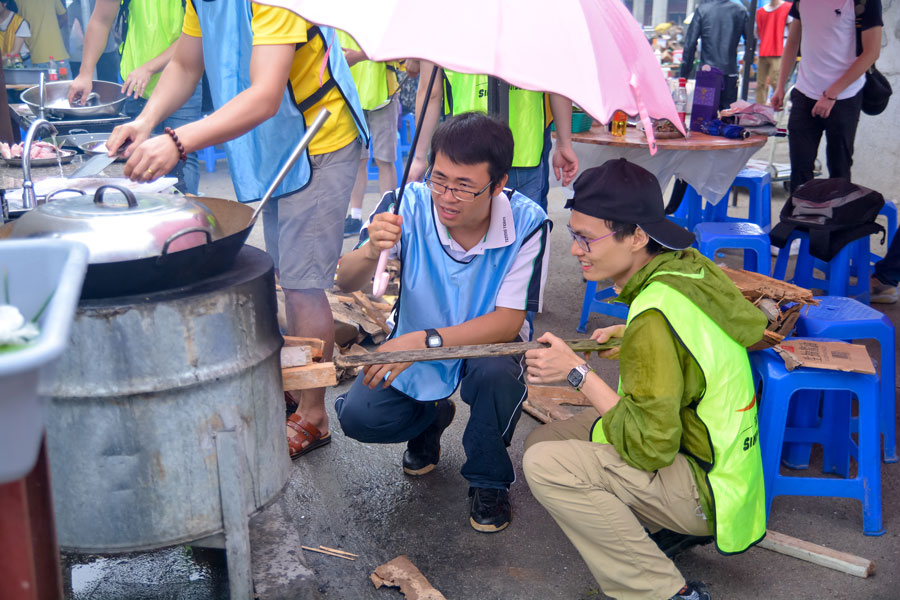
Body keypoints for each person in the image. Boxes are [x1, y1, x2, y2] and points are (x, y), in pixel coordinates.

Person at [105, 1, 368, 460]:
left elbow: (266, 95)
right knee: (284, 271)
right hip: (277, 143)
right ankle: (294, 382)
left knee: (304, 285)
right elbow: (187, 64)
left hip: (318, 140)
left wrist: (177, 141)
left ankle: (314, 413)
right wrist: (145, 123)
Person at [522, 159, 767, 600]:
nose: (576, 249)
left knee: (547, 466)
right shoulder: (686, 268)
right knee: (544, 443)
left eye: (586, 238)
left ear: (637, 236)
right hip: (728, 472)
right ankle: (659, 531)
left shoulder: (653, 315)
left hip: (704, 486)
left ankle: (665, 591)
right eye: (572, 234)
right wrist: (633, 333)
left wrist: (576, 372)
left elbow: (649, 446)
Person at [334, 112, 550, 533]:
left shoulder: (529, 223)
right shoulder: (404, 205)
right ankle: (431, 416)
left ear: (499, 183)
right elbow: (345, 280)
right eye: (439, 178)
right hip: (417, 342)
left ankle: (489, 478)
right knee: (359, 417)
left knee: (495, 373)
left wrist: (420, 342)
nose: (446, 196)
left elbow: (508, 322)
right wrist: (368, 249)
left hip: (484, 344)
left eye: (465, 186)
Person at [68, 0, 201, 195]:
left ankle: (186, 218)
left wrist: (150, 67)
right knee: (137, 155)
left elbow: (193, 36)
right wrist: (85, 73)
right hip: (135, 86)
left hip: (182, 84)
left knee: (183, 153)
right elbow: (100, 21)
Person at [410, 61, 579, 211]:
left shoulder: (440, 26)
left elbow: (431, 93)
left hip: (463, 151)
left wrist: (419, 157)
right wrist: (564, 144)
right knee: (525, 236)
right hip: (523, 151)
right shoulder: (541, 25)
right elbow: (558, 82)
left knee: (465, 239)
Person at [770, 0, 883, 193]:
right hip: (805, 92)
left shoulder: (865, 2)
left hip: (844, 96)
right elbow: (793, 42)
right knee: (800, 169)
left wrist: (831, 95)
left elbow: (872, 52)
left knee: (839, 169)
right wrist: (781, 86)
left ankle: (837, 220)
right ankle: (800, 220)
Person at [337, 30, 402, 238]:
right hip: (352, 94)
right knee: (357, 159)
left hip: (382, 94)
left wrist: (359, 56)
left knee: (385, 159)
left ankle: (387, 216)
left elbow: (397, 49)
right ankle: (355, 216)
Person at [680, 0, 748, 110]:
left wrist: (684, 73)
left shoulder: (702, 9)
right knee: (727, 116)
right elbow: (751, 40)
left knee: (703, 118)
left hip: (707, 72)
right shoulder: (740, 10)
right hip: (730, 72)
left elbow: (690, 43)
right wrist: (746, 60)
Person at [65, 0, 120, 86]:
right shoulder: (72, 7)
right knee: (103, 85)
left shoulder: (95, 2)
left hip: (108, 51)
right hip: (95, 51)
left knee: (110, 84)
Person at [755, 0, 792, 105]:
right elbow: (758, 32)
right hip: (764, 51)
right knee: (761, 83)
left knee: (775, 81)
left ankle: (780, 106)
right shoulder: (760, 12)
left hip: (779, 51)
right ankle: (760, 109)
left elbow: (792, 33)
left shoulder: (787, 8)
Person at [17, 0, 68, 71]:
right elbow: (64, 17)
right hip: (60, 55)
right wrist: (52, 28)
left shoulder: (17, 1)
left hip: (38, 56)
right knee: (66, 82)